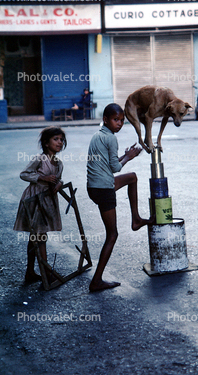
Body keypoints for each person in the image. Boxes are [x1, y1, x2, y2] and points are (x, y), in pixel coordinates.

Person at [87, 103, 153, 292]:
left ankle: (136, 219)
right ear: (105, 120)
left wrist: (124, 156)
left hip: (94, 186)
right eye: (116, 120)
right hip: (103, 189)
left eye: (122, 120)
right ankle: (97, 280)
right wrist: (130, 156)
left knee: (132, 177)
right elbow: (115, 167)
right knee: (112, 235)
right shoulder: (110, 139)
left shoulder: (98, 135)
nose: (120, 124)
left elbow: (109, 164)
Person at [13, 126, 66, 284]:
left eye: (61, 140)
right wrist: (42, 178)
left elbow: (58, 179)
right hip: (34, 201)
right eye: (55, 139)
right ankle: (45, 273)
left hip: (47, 201)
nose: (59, 142)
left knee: (35, 238)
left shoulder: (59, 163)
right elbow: (24, 174)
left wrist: (59, 184)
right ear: (46, 143)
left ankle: (30, 272)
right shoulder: (39, 159)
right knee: (40, 237)